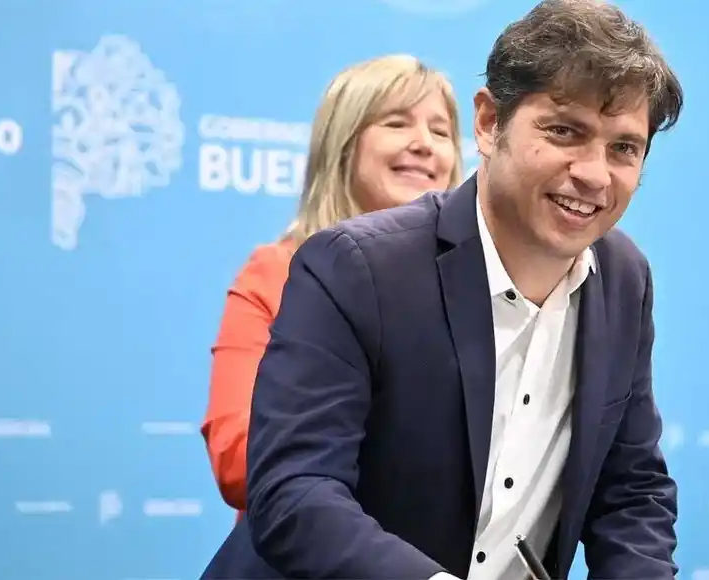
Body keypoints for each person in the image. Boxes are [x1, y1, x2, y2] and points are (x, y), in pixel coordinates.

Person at [201, 0, 684, 578]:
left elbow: (631, 491)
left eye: (624, 148)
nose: (594, 173)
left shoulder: (625, 279)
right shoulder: (353, 266)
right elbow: (295, 490)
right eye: (564, 131)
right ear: (488, 122)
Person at [200, 54, 464, 519]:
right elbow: (240, 457)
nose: (424, 144)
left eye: (441, 132)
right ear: (343, 144)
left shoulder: (479, 284)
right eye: (397, 123)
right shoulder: (274, 274)